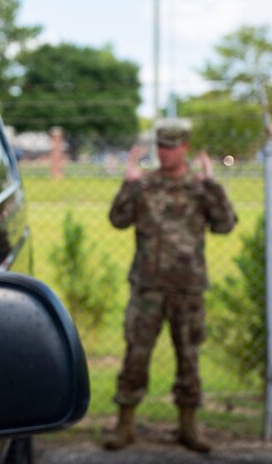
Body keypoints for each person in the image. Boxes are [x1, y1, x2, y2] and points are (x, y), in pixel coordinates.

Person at [103, 119, 237, 453]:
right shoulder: (145, 184)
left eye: (171, 146)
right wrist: (129, 183)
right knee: (136, 355)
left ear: (185, 148)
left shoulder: (199, 185)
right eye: (160, 146)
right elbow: (118, 220)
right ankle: (125, 425)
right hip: (148, 287)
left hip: (187, 288)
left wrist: (213, 186)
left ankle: (188, 427)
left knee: (189, 358)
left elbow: (224, 225)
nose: (165, 152)